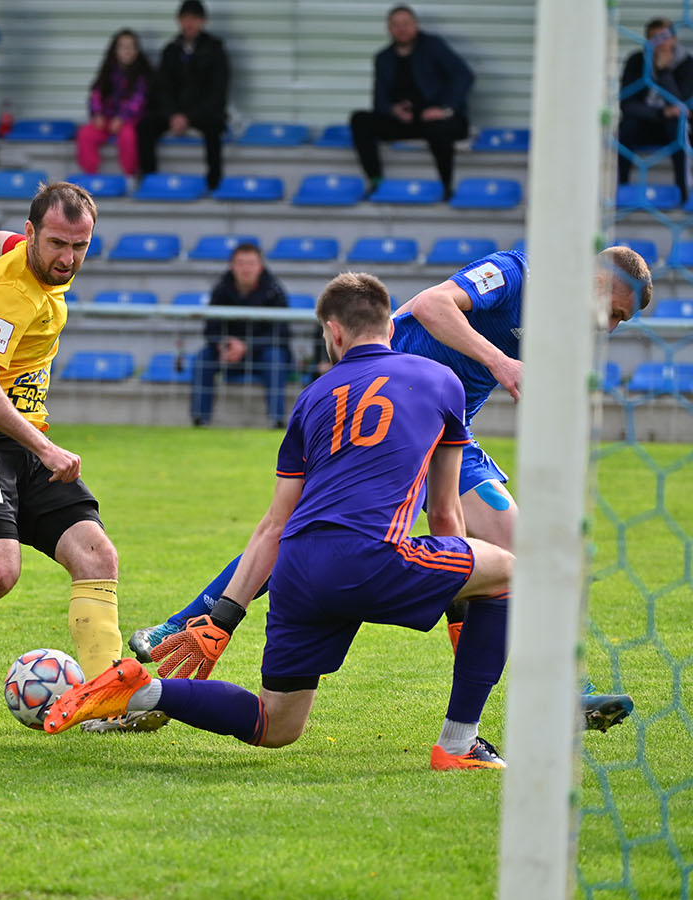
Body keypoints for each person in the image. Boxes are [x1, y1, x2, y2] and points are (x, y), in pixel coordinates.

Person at [129, 246, 652, 734]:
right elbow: (431, 304)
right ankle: (179, 627)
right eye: (614, 311)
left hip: (446, 436)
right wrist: (500, 362)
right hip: (374, 416)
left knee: (522, 544)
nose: (607, 326)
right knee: (297, 528)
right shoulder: (518, 273)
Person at [47, 272, 520, 771]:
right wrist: (459, 603)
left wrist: (223, 618)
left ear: (334, 332)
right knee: (508, 570)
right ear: (386, 322)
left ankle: (145, 691)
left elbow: (274, 524)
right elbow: (445, 512)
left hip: (298, 568)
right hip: (374, 558)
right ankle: (458, 744)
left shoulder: (312, 399)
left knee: (276, 725)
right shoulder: (441, 381)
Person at [0, 182, 165, 734]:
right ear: (35, 233)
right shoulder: (7, 295)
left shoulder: (16, 249)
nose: (68, 258)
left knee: (97, 556)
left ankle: (103, 703)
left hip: (23, 438)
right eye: (59, 244)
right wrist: (45, 447)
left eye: (81, 246)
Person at [348, 5, 474, 202]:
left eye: (406, 23)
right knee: (359, 119)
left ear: (416, 25)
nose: (402, 29)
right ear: (389, 29)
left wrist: (444, 109)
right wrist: (393, 110)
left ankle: (446, 186)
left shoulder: (433, 46)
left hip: (439, 119)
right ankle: (376, 180)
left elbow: (464, 75)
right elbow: (379, 101)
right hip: (407, 121)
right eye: (396, 25)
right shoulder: (383, 58)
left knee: (438, 128)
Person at [190, 243, 291, 428]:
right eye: (241, 263)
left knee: (275, 357)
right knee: (203, 358)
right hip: (229, 352)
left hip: (262, 352)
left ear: (260, 266)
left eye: (251, 263)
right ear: (232, 266)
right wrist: (222, 344)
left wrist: (247, 346)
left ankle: (277, 420)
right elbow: (211, 327)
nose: (246, 269)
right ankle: (200, 419)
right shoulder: (220, 290)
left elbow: (281, 332)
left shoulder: (274, 291)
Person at [136, 0, 229, 191]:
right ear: (178, 21)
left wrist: (189, 117)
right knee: (145, 126)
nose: (189, 24)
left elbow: (217, 91)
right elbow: (161, 88)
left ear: (203, 22)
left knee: (214, 128)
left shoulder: (215, 50)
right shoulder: (171, 50)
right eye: (185, 19)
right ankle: (150, 180)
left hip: (202, 113)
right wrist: (172, 115)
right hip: (173, 113)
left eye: (194, 19)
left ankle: (214, 183)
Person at [618, 18, 693, 204]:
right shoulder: (636, 61)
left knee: (678, 126)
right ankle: (621, 190)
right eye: (654, 38)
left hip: (674, 128)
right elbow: (627, 104)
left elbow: (682, 106)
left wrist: (664, 71)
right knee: (626, 127)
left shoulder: (687, 64)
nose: (660, 43)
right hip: (646, 123)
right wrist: (661, 113)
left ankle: (684, 196)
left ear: (674, 39)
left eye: (664, 37)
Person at [76, 29, 152, 177]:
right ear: (115, 50)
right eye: (123, 47)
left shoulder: (143, 75)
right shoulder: (107, 72)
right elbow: (96, 95)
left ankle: (129, 175)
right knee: (85, 133)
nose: (127, 51)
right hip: (107, 120)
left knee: (129, 137)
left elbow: (139, 100)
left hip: (129, 121)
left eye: (131, 47)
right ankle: (91, 175)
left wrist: (122, 118)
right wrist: (97, 114)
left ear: (137, 50)